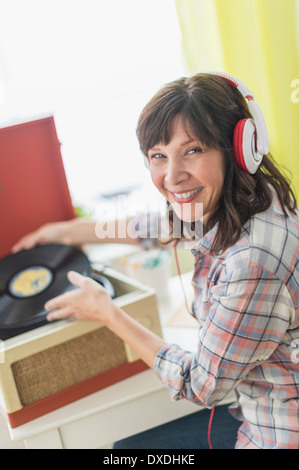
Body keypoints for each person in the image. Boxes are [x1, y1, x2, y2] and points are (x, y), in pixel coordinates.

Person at [13, 72, 299, 449]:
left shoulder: (251, 264)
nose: (172, 176)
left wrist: (107, 312)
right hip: (254, 405)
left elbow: (200, 386)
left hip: (276, 431)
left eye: (192, 150)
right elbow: (155, 226)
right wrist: (63, 233)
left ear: (240, 147)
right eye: (158, 157)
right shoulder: (250, 194)